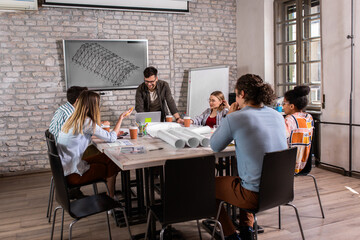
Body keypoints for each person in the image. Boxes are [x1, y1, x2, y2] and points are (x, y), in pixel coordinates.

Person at [210, 74, 288, 240]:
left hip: (254, 195)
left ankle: (231, 237)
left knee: (208, 186)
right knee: (246, 177)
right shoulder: (277, 116)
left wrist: (229, 116)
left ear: (242, 94)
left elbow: (215, 145)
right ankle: (247, 232)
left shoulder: (236, 117)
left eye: (236, 94)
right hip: (281, 190)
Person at [57, 90, 132, 198]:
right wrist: (121, 118)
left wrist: (106, 132)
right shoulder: (87, 122)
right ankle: (110, 199)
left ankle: (110, 196)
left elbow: (85, 135)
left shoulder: (72, 119)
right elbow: (111, 138)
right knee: (113, 163)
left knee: (108, 159)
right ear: (93, 106)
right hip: (75, 175)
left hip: (65, 171)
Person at [283, 86, 314, 174]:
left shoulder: (289, 120)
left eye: (284, 103)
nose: (283, 106)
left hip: (289, 165)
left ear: (292, 106)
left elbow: (281, 141)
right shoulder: (309, 118)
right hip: (305, 164)